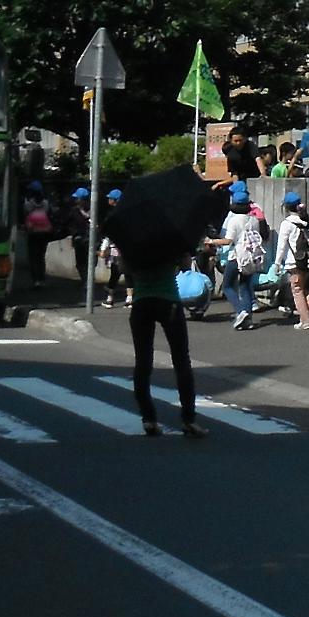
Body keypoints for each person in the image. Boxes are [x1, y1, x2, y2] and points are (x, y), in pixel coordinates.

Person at [121, 249, 209, 439]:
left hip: (141, 302)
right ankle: (188, 420)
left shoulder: (133, 239)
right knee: (181, 361)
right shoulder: (170, 238)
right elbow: (186, 265)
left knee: (143, 362)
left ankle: (148, 418)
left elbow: (124, 267)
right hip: (168, 300)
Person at [205, 181, 265, 330]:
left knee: (227, 286)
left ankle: (241, 311)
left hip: (236, 257)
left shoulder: (234, 220)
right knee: (245, 287)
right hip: (251, 257)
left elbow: (228, 240)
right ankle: (248, 319)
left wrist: (212, 241)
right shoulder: (253, 219)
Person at [273, 192, 309, 330]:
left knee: (297, 290)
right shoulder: (306, 221)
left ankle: (305, 321)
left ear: (286, 207)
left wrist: (277, 263)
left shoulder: (287, 223)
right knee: (303, 288)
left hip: (295, 262)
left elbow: (281, 246)